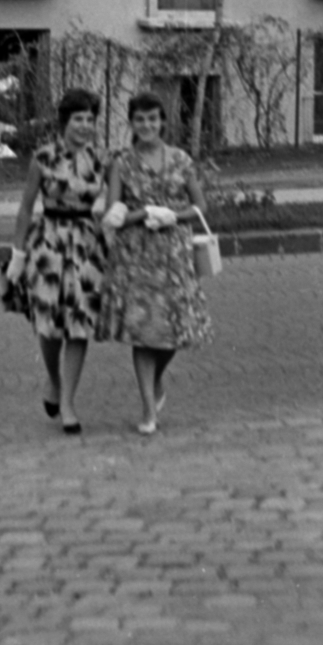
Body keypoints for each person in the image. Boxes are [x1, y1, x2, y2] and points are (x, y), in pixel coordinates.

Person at [99, 91, 212, 435]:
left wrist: (173, 215)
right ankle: (149, 409)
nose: (147, 125)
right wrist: (142, 213)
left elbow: (201, 207)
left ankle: (158, 381)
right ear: (131, 124)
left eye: (152, 119)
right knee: (144, 332)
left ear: (162, 121)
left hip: (174, 254)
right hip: (135, 257)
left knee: (176, 330)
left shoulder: (180, 160)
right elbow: (113, 214)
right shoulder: (120, 162)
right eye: (140, 119)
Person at [1, 88, 107, 434]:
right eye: (78, 119)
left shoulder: (103, 160)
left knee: (79, 323)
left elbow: (117, 202)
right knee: (48, 322)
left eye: (90, 120)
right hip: (48, 242)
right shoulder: (44, 157)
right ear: (65, 122)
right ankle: (53, 379)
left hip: (88, 246)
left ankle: (69, 403)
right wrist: (18, 253)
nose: (85, 126)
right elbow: (26, 206)